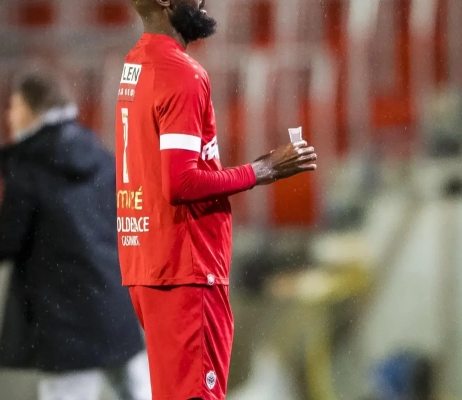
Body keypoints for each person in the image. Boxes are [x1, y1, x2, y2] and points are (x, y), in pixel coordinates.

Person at [117, 1, 318, 399]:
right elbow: (181, 183)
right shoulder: (182, 72)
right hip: (186, 269)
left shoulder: (136, 63)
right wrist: (262, 170)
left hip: (149, 262)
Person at [0, 70, 151, 400]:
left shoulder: (28, 169)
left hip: (64, 323)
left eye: (14, 106)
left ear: (31, 109)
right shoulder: (101, 155)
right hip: (114, 308)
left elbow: (3, 244)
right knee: (142, 393)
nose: (9, 115)